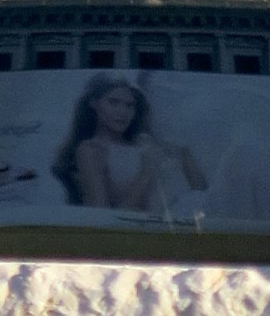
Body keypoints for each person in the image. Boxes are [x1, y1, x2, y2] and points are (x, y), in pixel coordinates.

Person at [51, 75, 205, 216]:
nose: (122, 112)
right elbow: (101, 218)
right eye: (113, 102)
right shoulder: (91, 150)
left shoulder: (145, 143)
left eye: (129, 105)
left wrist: (185, 154)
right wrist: (147, 173)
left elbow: (201, 194)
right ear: (94, 103)